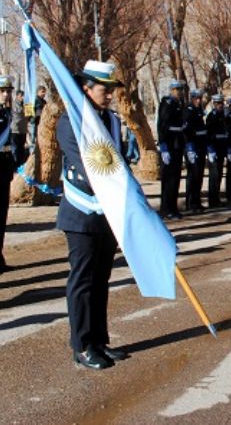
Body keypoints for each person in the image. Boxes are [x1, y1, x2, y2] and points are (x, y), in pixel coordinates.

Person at [56, 61, 129, 369]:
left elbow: (120, 161)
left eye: (112, 90)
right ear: (85, 89)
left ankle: (99, 339)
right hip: (83, 212)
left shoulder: (111, 121)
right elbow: (89, 168)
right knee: (83, 280)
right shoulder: (69, 121)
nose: (109, 95)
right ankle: (83, 345)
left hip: (107, 213)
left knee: (101, 278)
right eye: (104, 89)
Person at [157, 80, 186, 219]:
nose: (179, 92)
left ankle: (173, 208)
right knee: (168, 179)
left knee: (175, 178)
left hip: (177, 144)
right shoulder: (167, 103)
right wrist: (163, 146)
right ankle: (166, 208)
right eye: (176, 90)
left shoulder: (179, 104)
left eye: (180, 90)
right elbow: (162, 125)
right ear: (171, 90)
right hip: (169, 144)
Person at [184, 89, 207, 212]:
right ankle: (190, 203)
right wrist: (190, 148)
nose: (199, 100)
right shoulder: (188, 111)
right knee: (193, 176)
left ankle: (196, 202)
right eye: (196, 98)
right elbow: (187, 131)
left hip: (201, 146)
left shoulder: (198, 111)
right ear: (192, 98)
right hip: (193, 147)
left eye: (200, 98)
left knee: (199, 176)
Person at [0, 76, 15, 273]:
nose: (6, 94)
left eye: (8, 90)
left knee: (2, 215)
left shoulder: (6, 112)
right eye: (2, 90)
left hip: (4, 166)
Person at [205, 94, 227, 207]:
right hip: (214, 148)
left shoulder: (222, 115)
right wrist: (210, 149)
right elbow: (208, 134)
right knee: (214, 175)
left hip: (221, 148)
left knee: (219, 174)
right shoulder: (211, 116)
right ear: (214, 104)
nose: (220, 105)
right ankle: (212, 200)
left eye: (221, 103)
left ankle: (216, 198)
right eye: (218, 103)